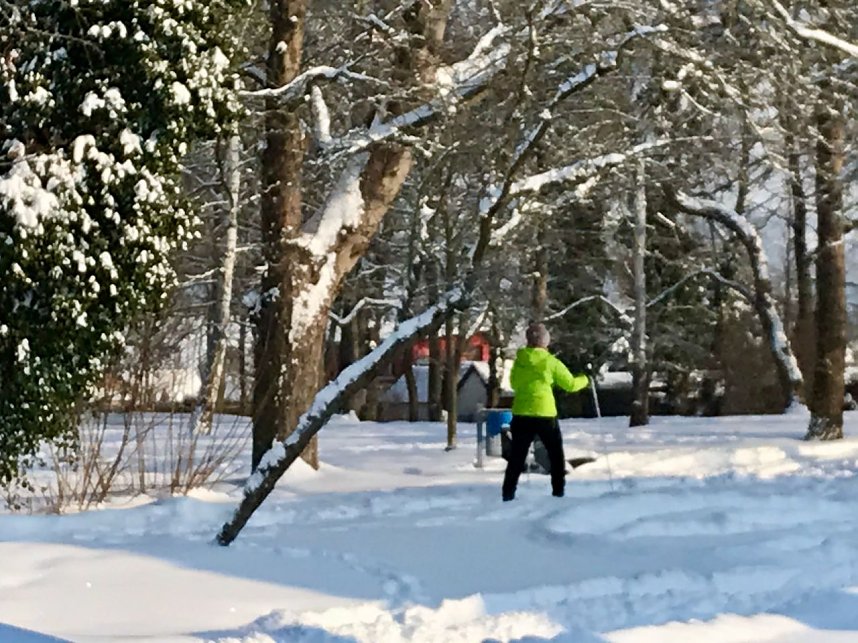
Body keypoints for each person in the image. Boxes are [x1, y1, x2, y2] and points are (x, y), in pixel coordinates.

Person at [502, 322, 589, 501]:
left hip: (521, 413)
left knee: (517, 457)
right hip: (545, 413)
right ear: (545, 341)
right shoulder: (550, 362)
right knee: (555, 455)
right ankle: (558, 492)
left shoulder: (520, 361)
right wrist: (585, 379)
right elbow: (570, 384)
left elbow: (514, 384)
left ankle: (508, 493)